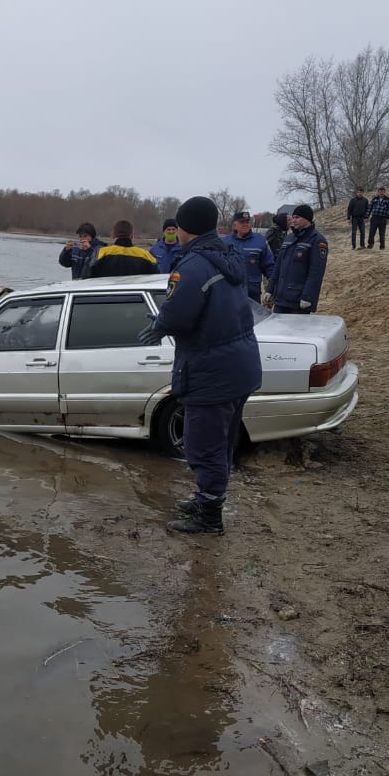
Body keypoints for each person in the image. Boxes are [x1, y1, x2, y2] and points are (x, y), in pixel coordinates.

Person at [136, 196, 261, 536]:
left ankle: (209, 516)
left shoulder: (192, 267)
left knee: (202, 444)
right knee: (219, 442)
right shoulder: (228, 255)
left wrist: (161, 322)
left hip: (212, 370)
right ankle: (206, 498)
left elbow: (179, 315)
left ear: (184, 227)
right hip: (240, 365)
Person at [264, 203, 328, 314]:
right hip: (280, 299)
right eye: (293, 217)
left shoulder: (317, 240)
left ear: (307, 219)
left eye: (297, 217)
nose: (293, 220)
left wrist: (307, 297)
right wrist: (270, 289)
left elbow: (316, 273)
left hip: (299, 302)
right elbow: (278, 266)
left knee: (296, 331)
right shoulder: (289, 238)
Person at [222, 210, 274, 303]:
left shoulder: (260, 241)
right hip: (230, 291)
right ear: (235, 225)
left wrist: (272, 286)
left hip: (252, 292)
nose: (245, 224)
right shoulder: (225, 242)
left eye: (247, 222)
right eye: (242, 222)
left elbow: (269, 265)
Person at [85, 219, 160, 277]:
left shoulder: (100, 253)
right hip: (135, 296)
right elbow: (155, 279)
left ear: (113, 235)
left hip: (105, 296)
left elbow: (86, 276)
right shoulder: (146, 255)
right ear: (132, 236)